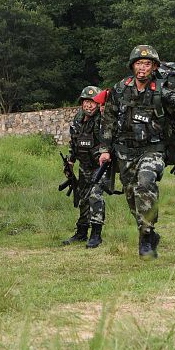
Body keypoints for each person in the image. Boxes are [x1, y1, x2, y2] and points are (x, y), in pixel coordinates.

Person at [100, 45, 175, 260]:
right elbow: (108, 120)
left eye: (147, 64)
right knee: (132, 196)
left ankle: (145, 238)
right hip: (125, 151)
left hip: (153, 149)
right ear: (132, 66)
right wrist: (105, 150)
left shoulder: (162, 91)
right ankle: (149, 233)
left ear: (154, 67)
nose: (142, 68)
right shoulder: (119, 89)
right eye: (138, 63)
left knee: (145, 183)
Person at [62, 85, 108, 249]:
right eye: (86, 102)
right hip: (84, 165)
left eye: (92, 102)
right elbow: (74, 141)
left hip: (100, 166)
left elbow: (108, 140)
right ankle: (81, 233)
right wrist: (71, 160)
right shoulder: (78, 119)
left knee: (95, 196)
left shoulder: (102, 120)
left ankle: (96, 234)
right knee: (83, 199)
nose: (89, 105)